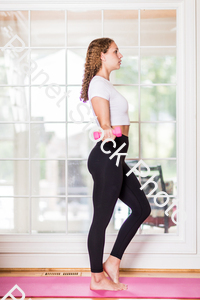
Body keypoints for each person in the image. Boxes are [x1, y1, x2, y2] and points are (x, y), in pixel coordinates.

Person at [80, 37, 151, 291]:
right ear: (102, 55)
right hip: (107, 155)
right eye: (115, 51)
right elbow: (103, 119)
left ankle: (112, 261)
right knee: (101, 218)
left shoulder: (105, 84)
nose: (120, 55)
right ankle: (96, 277)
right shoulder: (98, 84)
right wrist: (107, 128)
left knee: (142, 208)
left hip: (114, 157)